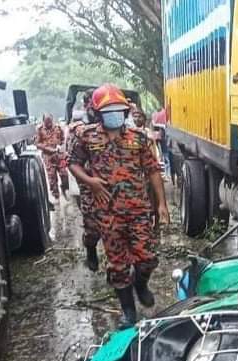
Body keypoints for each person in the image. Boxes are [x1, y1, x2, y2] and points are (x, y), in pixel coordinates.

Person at [68, 83, 170, 326]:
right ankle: (128, 310)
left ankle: (141, 284)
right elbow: (73, 163)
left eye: (118, 110)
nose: (114, 114)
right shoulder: (86, 136)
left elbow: (153, 170)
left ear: (125, 112)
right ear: (97, 113)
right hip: (107, 212)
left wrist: (162, 205)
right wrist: (90, 181)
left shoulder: (138, 139)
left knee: (147, 258)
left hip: (138, 210)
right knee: (118, 264)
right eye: (108, 110)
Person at [67, 92, 101, 271]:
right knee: (92, 224)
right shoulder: (78, 128)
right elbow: (72, 159)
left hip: (113, 181)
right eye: (91, 103)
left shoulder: (113, 124)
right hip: (88, 183)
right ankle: (91, 250)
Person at [35, 114, 66, 203]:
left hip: (59, 155)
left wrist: (62, 146)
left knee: (64, 174)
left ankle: (64, 188)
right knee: (52, 177)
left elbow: (63, 139)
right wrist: (47, 148)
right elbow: (37, 143)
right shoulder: (40, 129)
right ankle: (56, 196)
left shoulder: (58, 128)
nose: (48, 124)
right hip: (48, 157)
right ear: (43, 121)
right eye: (46, 122)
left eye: (50, 121)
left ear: (52, 120)